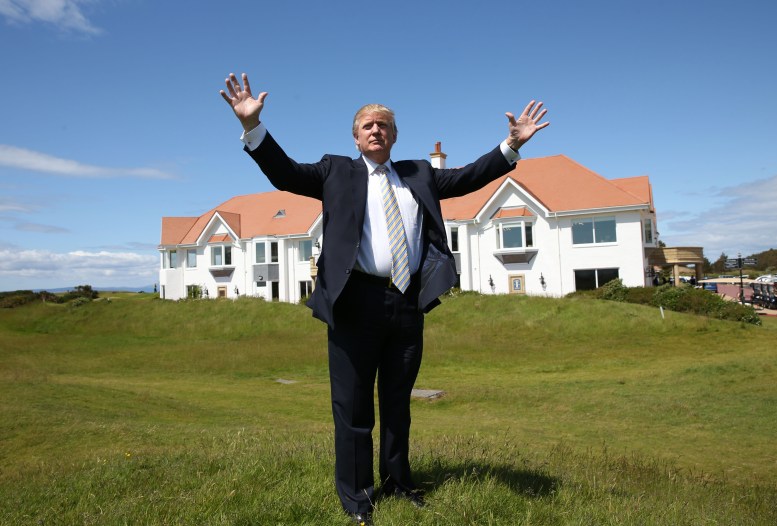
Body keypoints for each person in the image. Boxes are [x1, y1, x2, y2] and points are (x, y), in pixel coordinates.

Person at [220, 72, 549, 524]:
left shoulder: (418, 174)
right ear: (355, 137)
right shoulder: (336, 170)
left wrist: (511, 146)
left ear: (394, 136)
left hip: (406, 303)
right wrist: (253, 127)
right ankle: (357, 497)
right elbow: (285, 172)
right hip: (355, 301)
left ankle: (399, 483)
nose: (377, 130)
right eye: (368, 125)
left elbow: (471, 176)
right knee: (353, 405)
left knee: (397, 402)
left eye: (384, 126)